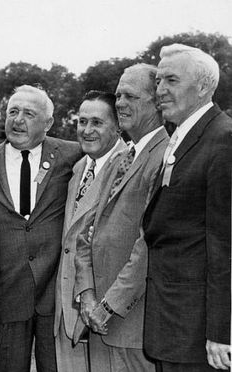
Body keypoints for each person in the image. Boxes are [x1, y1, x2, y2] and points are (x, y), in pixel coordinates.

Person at [73, 64, 168, 371]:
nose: (120, 104)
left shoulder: (165, 157)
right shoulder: (122, 157)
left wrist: (110, 306)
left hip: (130, 326)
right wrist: (87, 296)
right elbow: (85, 234)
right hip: (97, 319)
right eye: (118, 95)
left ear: (156, 102)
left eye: (130, 95)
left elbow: (147, 246)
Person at [142, 44, 231, 371]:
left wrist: (221, 331)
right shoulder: (186, 136)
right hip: (174, 328)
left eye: (171, 81)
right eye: (158, 81)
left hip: (198, 337)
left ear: (204, 87)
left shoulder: (223, 140)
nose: (160, 90)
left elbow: (225, 244)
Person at [0, 85, 81, 372]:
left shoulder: (72, 155)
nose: (18, 120)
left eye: (28, 113)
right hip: (6, 290)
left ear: (48, 123)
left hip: (56, 293)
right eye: (13, 112)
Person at [53, 90, 127, 372]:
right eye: (82, 122)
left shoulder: (130, 164)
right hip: (67, 313)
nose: (86, 130)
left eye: (97, 122)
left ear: (118, 125)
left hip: (105, 313)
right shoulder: (78, 167)